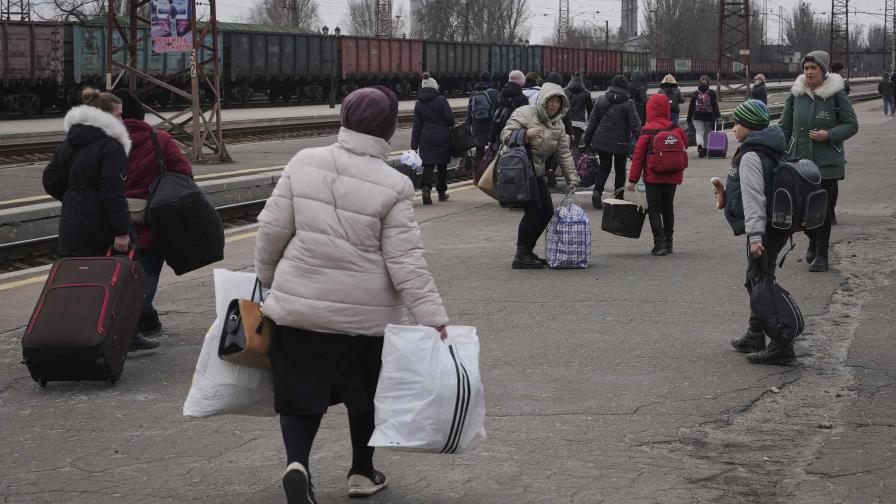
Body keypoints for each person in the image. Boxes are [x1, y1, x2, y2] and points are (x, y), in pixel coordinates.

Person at [254, 86, 450, 504]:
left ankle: (298, 465)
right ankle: (362, 472)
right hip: (363, 320)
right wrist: (431, 316)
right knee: (367, 396)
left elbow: (271, 230)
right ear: (387, 127)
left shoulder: (305, 161)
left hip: (299, 310)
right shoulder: (394, 184)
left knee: (299, 395)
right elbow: (405, 262)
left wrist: (268, 279)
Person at [41, 89, 156, 353]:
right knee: (124, 280)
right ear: (105, 117)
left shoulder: (69, 143)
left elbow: (50, 180)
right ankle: (129, 337)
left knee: (74, 282)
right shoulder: (111, 146)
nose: (122, 120)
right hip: (103, 224)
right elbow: (112, 193)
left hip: (72, 222)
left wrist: (74, 199)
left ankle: (71, 334)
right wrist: (121, 232)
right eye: (118, 115)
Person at [113, 88, 193, 348]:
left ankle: (135, 320)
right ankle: (133, 324)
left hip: (110, 221)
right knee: (146, 273)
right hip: (150, 221)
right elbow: (184, 175)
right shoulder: (160, 140)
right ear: (141, 115)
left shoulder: (102, 142)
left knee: (111, 274)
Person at [725, 100, 797, 365]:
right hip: (775, 225)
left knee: (762, 282)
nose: (733, 128)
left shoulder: (752, 156)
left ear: (751, 126)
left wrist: (755, 236)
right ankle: (755, 334)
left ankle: (781, 344)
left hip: (763, 228)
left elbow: (754, 197)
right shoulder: (772, 147)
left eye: (737, 123)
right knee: (756, 278)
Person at [779, 51, 858, 273]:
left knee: (822, 211)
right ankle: (812, 240)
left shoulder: (836, 95)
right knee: (801, 210)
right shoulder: (796, 94)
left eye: (813, 68)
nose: (809, 72)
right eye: (806, 68)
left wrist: (829, 134)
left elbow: (852, 125)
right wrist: (773, 149)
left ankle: (822, 255)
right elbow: (784, 126)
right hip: (799, 162)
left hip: (826, 165)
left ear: (823, 71)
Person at [500, 82, 579, 269]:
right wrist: (525, 133)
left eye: (557, 102)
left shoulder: (557, 124)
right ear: (543, 100)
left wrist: (572, 179)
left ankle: (527, 251)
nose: (553, 105)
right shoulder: (525, 113)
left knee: (547, 212)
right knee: (533, 211)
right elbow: (505, 135)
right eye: (550, 100)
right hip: (520, 171)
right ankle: (521, 255)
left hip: (536, 171)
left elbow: (564, 153)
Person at [627, 94, 687, 256]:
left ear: (649, 110)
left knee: (654, 209)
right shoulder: (675, 128)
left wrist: (632, 179)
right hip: (673, 175)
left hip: (653, 177)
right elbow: (685, 143)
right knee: (668, 208)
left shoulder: (647, 130)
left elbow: (638, 156)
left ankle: (659, 244)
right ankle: (669, 242)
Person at [582, 74, 642, 209]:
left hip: (601, 140)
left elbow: (592, 122)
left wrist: (587, 141)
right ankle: (618, 197)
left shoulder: (602, 99)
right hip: (621, 142)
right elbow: (635, 125)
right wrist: (643, 141)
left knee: (604, 168)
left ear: (612, 85)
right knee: (620, 169)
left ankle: (597, 194)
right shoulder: (628, 103)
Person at [411, 75, 454, 204]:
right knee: (442, 165)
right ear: (435, 87)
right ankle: (441, 193)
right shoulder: (441, 100)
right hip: (442, 136)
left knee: (428, 165)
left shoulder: (418, 104)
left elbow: (416, 125)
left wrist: (414, 144)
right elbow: (450, 119)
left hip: (426, 137)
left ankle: (425, 190)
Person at [465, 72, 498, 166]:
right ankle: (489, 173)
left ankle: (477, 173)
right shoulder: (494, 93)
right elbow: (497, 110)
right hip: (491, 126)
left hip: (477, 126)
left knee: (479, 152)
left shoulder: (474, 93)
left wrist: (468, 125)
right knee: (494, 149)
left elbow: (469, 112)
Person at [490, 69, 530, 143]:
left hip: (499, 133)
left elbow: (494, 116)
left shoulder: (499, 96)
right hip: (514, 135)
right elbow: (525, 120)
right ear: (521, 82)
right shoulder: (522, 99)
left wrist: (492, 137)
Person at [686, 75, 721, 158]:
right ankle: (705, 149)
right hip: (709, 116)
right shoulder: (711, 92)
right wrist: (718, 116)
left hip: (697, 116)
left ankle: (700, 147)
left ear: (699, 82)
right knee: (707, 133)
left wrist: (688, 119)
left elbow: (691, 107)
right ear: (709, 82)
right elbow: (714, 105)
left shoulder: (695, 93)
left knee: (699, 133)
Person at [565, 71, 594, 147]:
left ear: (571, 79)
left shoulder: (565, 91)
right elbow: (590, 110)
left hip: (566, 123)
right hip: (579, 123)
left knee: (566, 146)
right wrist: (589, 124)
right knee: (576, 145)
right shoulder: (586, 93)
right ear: (582, 79)